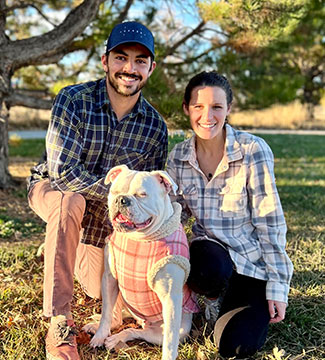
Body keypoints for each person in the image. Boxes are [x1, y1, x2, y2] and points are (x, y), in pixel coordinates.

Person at [27, 21, 168, 360]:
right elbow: (63, 175)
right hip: (53, 189)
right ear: (105, 61)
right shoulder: (73, 100)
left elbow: (148, 199)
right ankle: (60, 321)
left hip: (105, 217)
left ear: (150, 67)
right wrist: (117, 197)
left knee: (95, 287)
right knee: (68, 202)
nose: (129, 68)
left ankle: (60, 243)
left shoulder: (155, 128)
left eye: (139, 61)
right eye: (121, 58)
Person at [167, 71, 293, 358]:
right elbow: (174, 215)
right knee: (206, 266)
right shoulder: (178, 156)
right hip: (209, 257)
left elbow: (270, 222)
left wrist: (277, 286)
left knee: (235, 346)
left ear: (229, 110)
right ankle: (212, 295)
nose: (206, 116)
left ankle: (238, 296)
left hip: (250, 262)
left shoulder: (253, 150)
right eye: (198, 106)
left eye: (216, 107)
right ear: (187, 108)